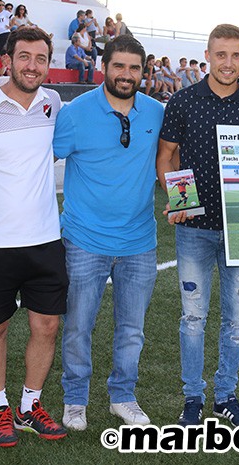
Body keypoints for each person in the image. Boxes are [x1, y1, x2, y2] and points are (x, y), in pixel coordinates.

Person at [156, 23, 239, 427]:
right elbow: (167, 156)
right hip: (195, 231)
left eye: (235, 55)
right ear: (207, 55)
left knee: (236, 320)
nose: (227, 62)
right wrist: (179, 201)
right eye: (220, 54)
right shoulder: (183, 101)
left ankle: (226, 395)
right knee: (193, 317)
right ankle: (193, 397)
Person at [0, 27, 68, 448]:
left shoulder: (53, 103)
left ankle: (30, 405)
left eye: (41, 59)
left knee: (47, 326)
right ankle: (0, 407)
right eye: (24, 57)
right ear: (7, 59)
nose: (32, 66)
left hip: (45, 239)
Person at [52, 34, 164, 431]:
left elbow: (174, 161)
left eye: (135, 67)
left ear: (143, 71)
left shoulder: (156, 113)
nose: (126, 74)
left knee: (132, 330)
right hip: (84, 239)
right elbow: (37, 161)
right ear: (104, 67)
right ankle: (75, 399)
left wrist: (186, 200)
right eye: (119, 65)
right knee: (79, 325)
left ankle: (123, 396)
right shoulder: (75, 113)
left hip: (139, 242)